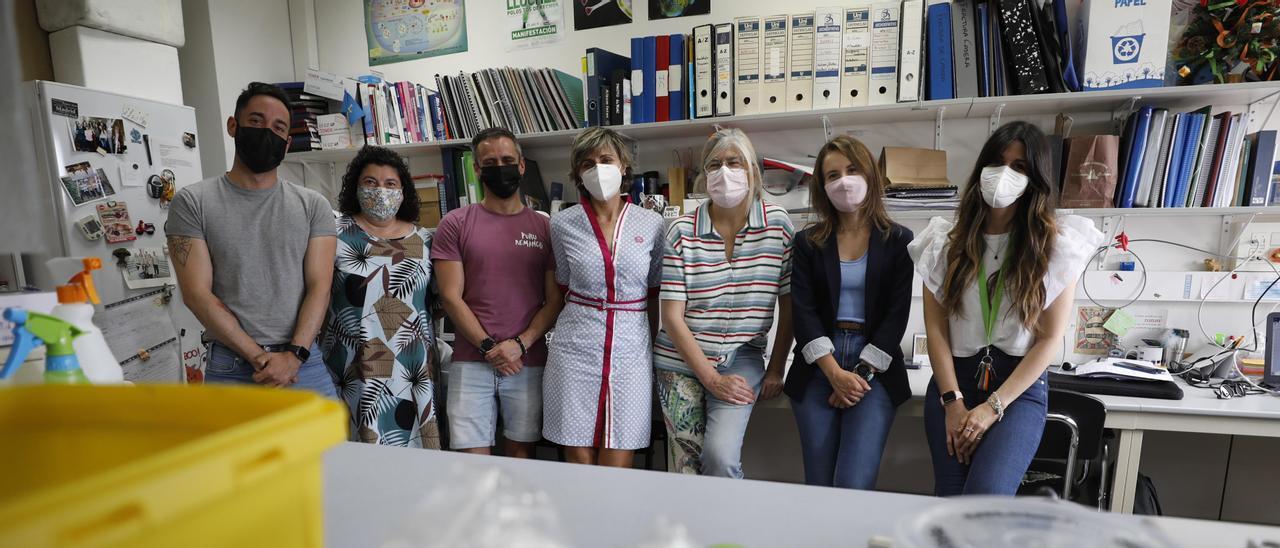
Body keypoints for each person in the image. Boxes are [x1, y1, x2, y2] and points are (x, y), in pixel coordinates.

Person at [909, 121, 1105, 496]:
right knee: (951, 503)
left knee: (986, 496)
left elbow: (1048, 340)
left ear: (1035, 179)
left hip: (1016, 390)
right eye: (998, 162)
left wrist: (991, 408)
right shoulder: (942, 244)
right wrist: (953, 403)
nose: (1004, 175)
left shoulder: (1056, 247)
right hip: (955, 386)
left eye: (1019, 167)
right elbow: (936, 331)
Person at [167, 81, 338, 396]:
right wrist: (259, 357)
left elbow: (319, 287)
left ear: (286, 143)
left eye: (277, 127)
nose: (266, 132)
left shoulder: (314, 205)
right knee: (236, 449)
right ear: (233, 126)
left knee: (325, 447)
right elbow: (196, 294)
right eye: (256, 121)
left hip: (303, 363)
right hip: (232, 365)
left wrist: (294, 355)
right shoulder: (193, 203)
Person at [653, 128, 794, 478]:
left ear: (752, 171)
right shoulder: (681, 230)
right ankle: (694, 533)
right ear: (704, 175)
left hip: (741, 357)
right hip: (680, 359)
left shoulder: (777, 225)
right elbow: (671, 317)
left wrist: (776, 368)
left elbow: (790, 305)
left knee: (720, 458)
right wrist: (711, 380)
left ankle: (729, 530)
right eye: (714, 164)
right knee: (686, 468)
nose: (724, 171)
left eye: (734, 162)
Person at [783, 135, 915, 489]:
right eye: (832, 175)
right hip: (817, 363)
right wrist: (833, 373)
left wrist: (859, 375)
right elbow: (804, 311)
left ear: (870, 174)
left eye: (852, 169)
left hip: (875, 364)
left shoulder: (900, 240)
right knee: (820, 483)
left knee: (854, 483)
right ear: (822, 187)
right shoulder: (808, 242)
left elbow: (896, 315)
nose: (844, 181)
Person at [432, 127, 562, 457]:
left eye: (507, 160)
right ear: (477, 169)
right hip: (471, 361)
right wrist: (490, 347)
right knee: (472, 463)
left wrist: (519, 345)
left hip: (527, 361)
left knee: (522, 456)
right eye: (490, 161)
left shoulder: (545, 227)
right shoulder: (455, 223)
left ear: (521, 165)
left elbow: (553, 300)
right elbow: (450, 295)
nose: (499, 167)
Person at [543, 126, 664, 467]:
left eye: (606, 159)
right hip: (574, 347)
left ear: (624, 166)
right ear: (578, 173)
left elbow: (654, 291)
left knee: (619, 454)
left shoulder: (651, 223)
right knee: (577, 455)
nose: (598, 168)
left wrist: (652, 346)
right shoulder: (562, 224)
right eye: (587, 163)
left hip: (631, 349)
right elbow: (564, 284)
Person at [323, 145, 440, 448]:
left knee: (412, 464)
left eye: (390, 184)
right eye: (370, 182)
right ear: (356, 187)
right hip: (350, 367)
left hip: (411, 368)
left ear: (403, 191)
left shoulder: (425, 240)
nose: (381, 191)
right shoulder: (333, 234)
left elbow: (434, 303)